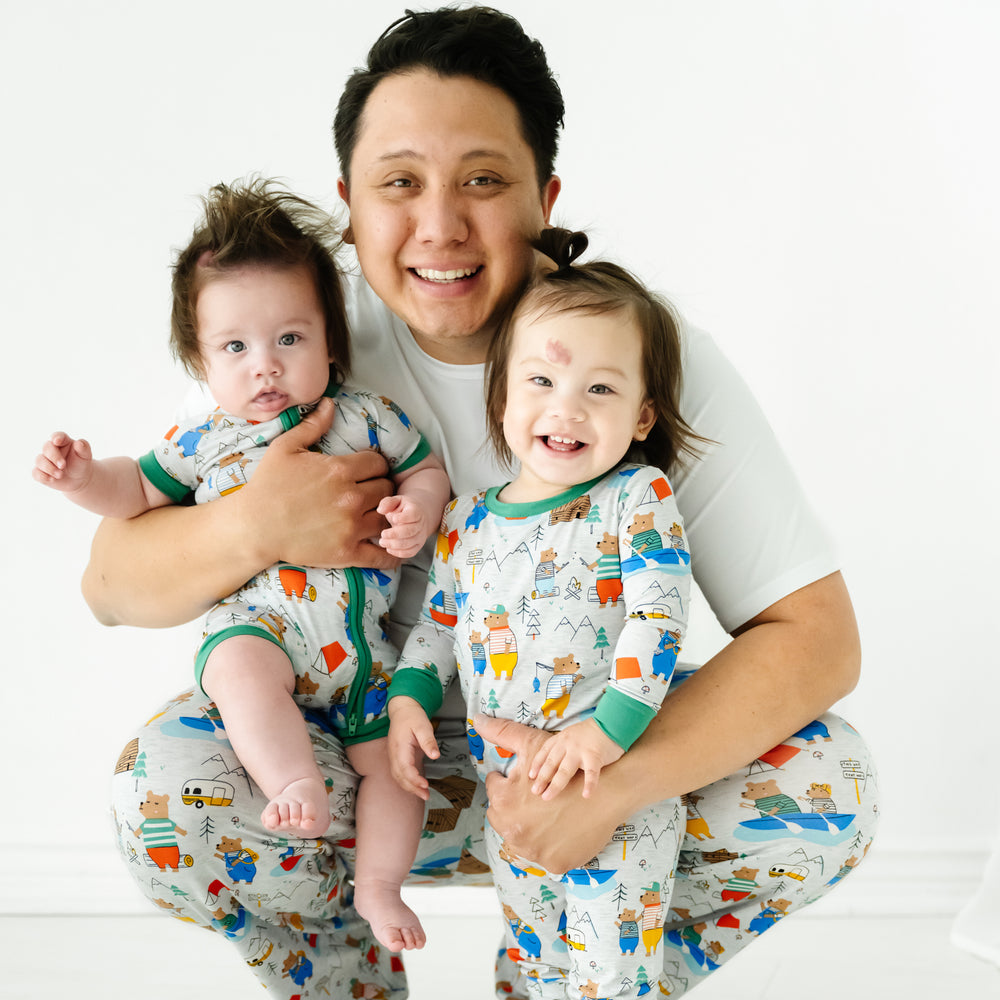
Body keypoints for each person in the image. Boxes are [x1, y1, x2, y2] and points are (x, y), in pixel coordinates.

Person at [83, 8, 878, 999]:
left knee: (827, 786)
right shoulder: (292, 340)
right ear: (348, 203)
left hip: (582, 759)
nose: (440, 226)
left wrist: (614, 781)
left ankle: (574, 978)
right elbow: (109, 580)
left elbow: (819, 639)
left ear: (545, 197)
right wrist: (252, 523)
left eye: (484, 181)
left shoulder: (631, 352)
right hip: (355, 755)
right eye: (399, 183)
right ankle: (343, 980)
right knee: (167, 789)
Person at [34, 178, 448, 953]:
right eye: (235, 348)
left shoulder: (366, 415)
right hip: (261, 629)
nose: (265, 367)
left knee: (394, 765)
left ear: (331, 340)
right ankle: (293, 782)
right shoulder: (204, 439)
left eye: (290, 340)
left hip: (364, 655)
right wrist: (84, 478)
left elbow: (426, 470)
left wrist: (416, 508)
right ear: (200, 357)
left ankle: (379, 882)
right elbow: (136, 493)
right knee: (237, 673)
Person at [387, 227, 696, 996]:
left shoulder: (634, 497)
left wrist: (607, 730)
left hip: (609, 788)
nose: (569, 411)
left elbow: (658, 618)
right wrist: (406, 698)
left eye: (601, 389)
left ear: (643, 417)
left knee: (607, 976)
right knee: (533, 962)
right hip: (511, 796)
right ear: (502, 394)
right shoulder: (466, 521)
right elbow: (441, 622)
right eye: (542, 382)